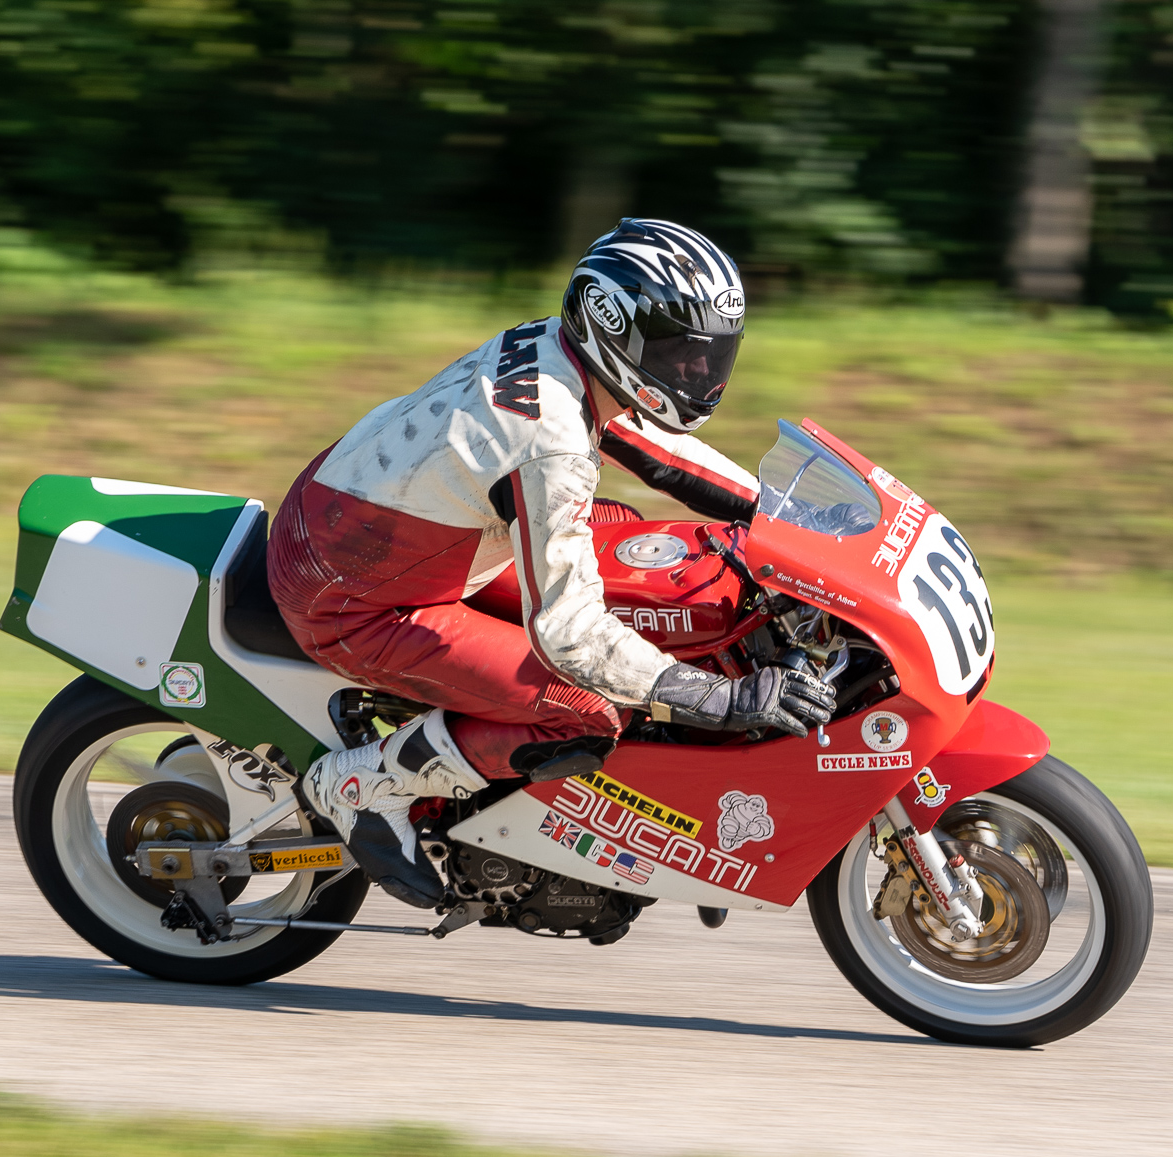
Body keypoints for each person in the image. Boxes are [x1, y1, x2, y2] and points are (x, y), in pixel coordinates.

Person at [268, 218, 836, 908]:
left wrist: (788, 524)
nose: (699, 372)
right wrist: (719, 698)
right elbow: (569, 632)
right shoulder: (552, 443)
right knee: (591, 706)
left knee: (639, 554)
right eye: (679, 353)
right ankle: (365, 784)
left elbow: (660, 453)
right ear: (613, 329)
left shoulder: (559, 351)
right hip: (353, 597)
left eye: (710, 354)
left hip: (367, 523)